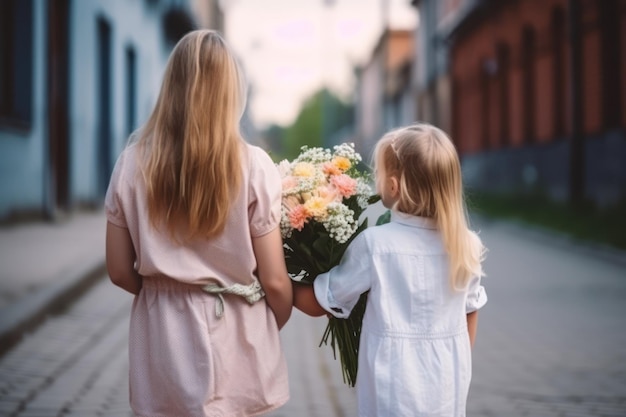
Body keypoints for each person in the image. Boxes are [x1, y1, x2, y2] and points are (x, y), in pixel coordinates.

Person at [105, 30, 292, 417]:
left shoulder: (131, 163)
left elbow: (120, 270)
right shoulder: (254, 164)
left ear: (171, 86)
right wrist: (274, 320)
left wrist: (164, 288)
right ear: (230, 92)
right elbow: (274, 280)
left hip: (162, 334)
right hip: (237, 329)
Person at [294, 123, 488, 417]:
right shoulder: (466, 245)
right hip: (447, 384)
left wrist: (279, 284)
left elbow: (326, 301)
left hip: (393, 386)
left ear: (394, 186)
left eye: (379, 175)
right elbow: (471, 309)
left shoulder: (375, 245)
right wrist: (456, 358)